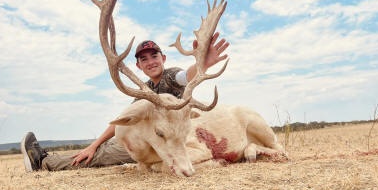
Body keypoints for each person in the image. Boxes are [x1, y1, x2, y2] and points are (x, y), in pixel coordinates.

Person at [21, 33, 229, 172]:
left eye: (154, 56)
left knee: (102, 155)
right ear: (138, 66)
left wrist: (202, 63)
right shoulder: (144, 91)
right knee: (99, 149)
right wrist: (93, 145)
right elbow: (126, 118)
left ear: (163, 57)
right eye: (144, 59)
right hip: (147, 139)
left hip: (162, 143)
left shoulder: (171, 76)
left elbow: (186, 76)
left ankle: (43, 162)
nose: (151, 62)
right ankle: (54, 156)